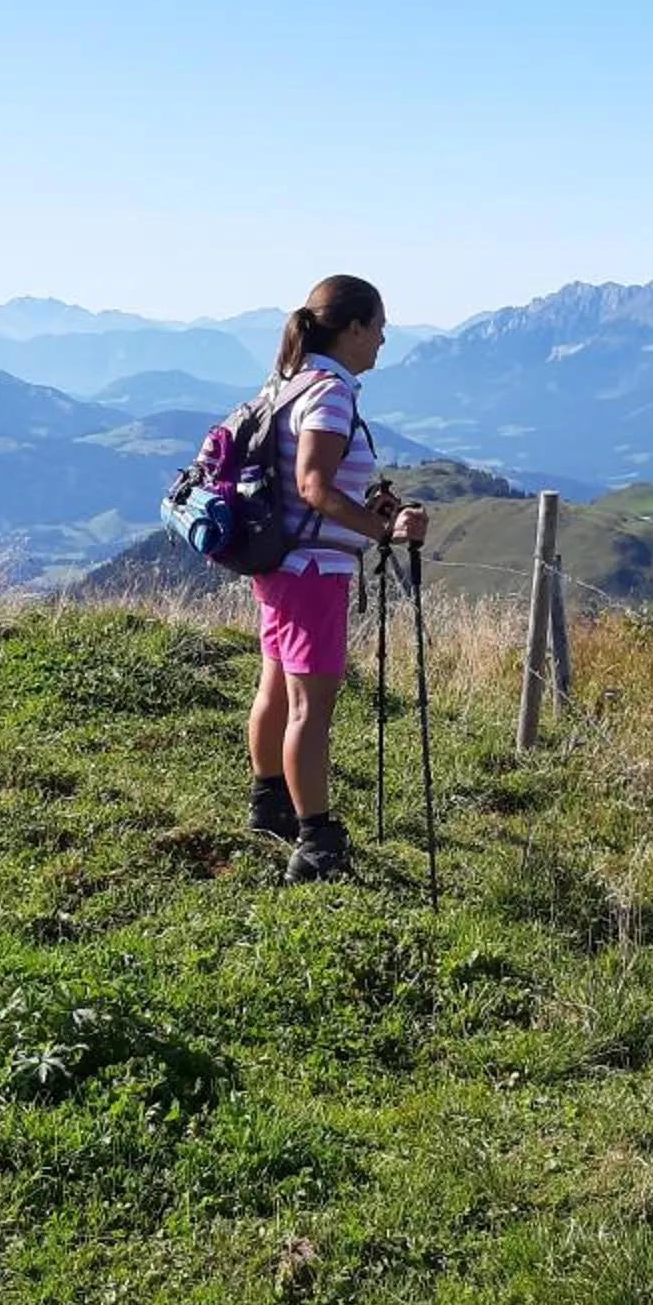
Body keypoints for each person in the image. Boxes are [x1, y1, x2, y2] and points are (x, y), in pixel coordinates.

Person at [245, 274, 428, 882]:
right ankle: (316, 842)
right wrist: (385, 532)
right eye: (377, 326)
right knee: (310, 708)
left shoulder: (291, 383)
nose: (382, 338)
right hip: (314, 570)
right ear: (351, 328)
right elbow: (315, 485)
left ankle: (268, 801)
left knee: (276, 689)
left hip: (281, 563)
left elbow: (316, 483)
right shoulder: (329, 394)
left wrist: (367, 503)